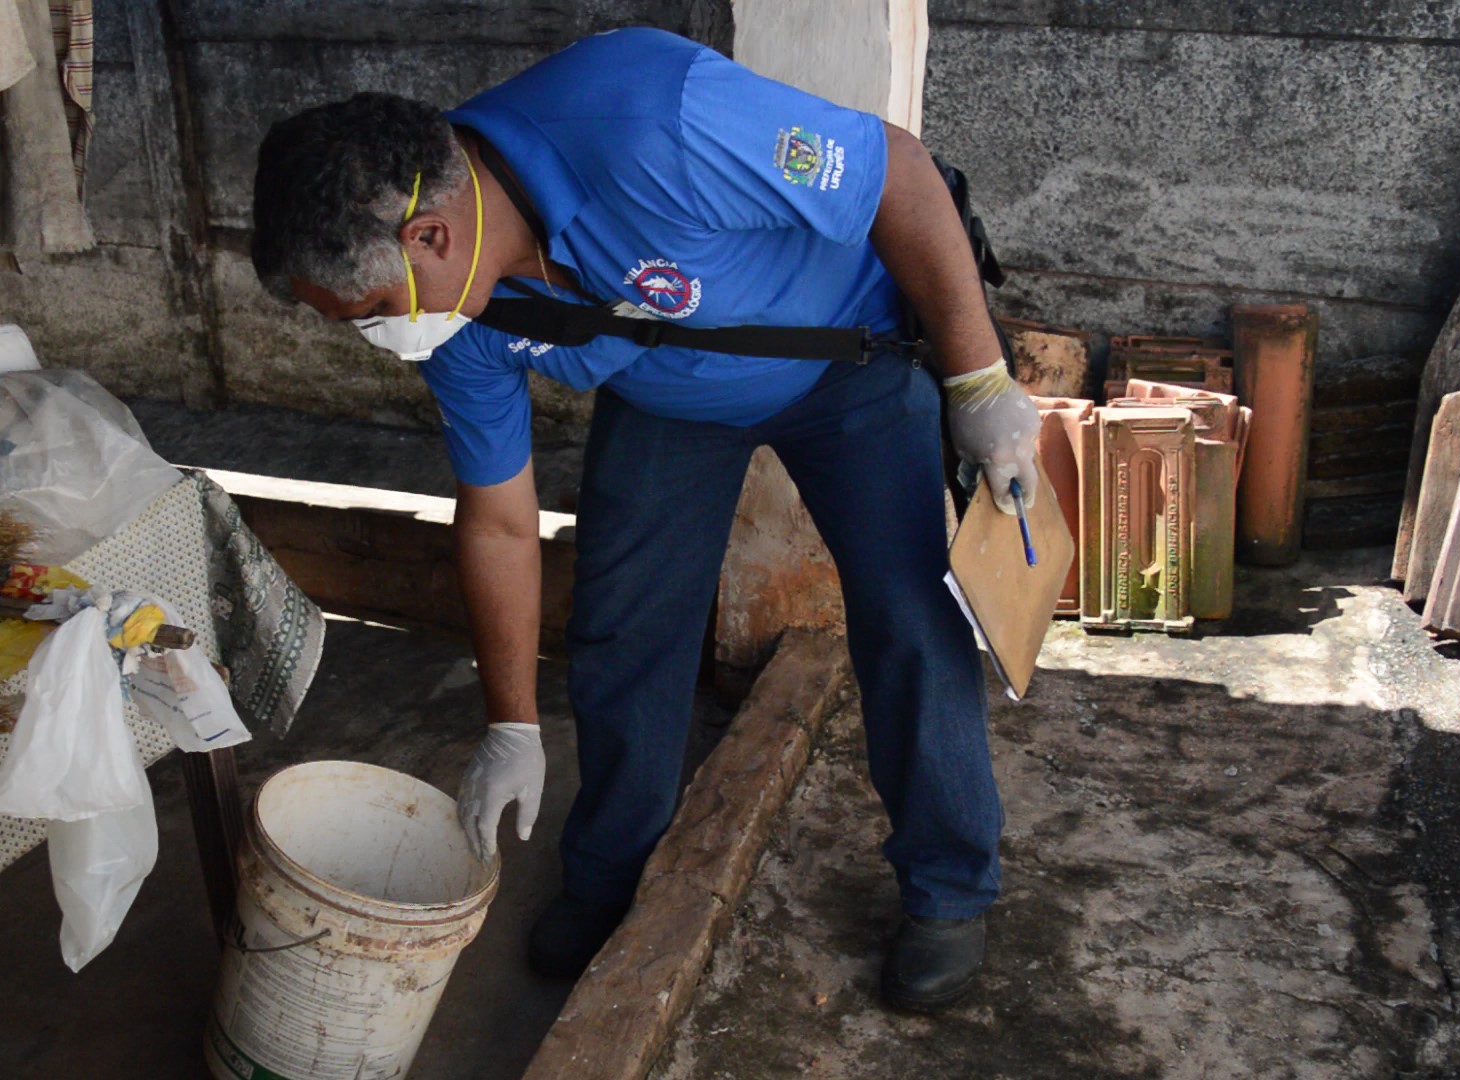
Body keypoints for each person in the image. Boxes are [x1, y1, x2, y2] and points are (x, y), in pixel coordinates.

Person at [250, 27, 1040, 1011]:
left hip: (852, 356)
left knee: (914, 617)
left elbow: (900, 174)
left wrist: (978, 380)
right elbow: (498, 522)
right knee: (624, 633)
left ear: (430, 238)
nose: (378, 336)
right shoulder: (461, 322)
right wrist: (510, 724)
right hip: (669, 398)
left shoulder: (653, 116)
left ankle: (949, 890)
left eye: (367, 310)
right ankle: (610, 876)